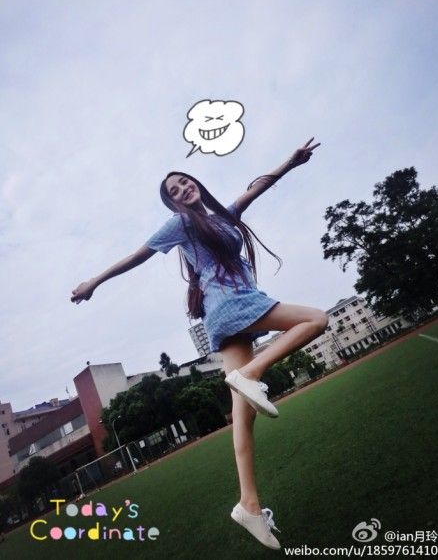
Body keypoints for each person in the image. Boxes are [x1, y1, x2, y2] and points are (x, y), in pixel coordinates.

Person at [71, 137, 328, 549]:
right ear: (173, 205)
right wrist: (94, 282)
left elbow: (255, 188)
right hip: (233, 304)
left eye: (184, 182)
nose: (182, 189)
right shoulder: (182, 225)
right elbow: (138, 255)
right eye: (174, 192)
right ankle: (251, 374)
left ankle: (248, 505)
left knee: (242, 416)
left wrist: (291, 163)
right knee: (316, 319)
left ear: (195, 183)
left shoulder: (223, 215)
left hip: (224, 313)